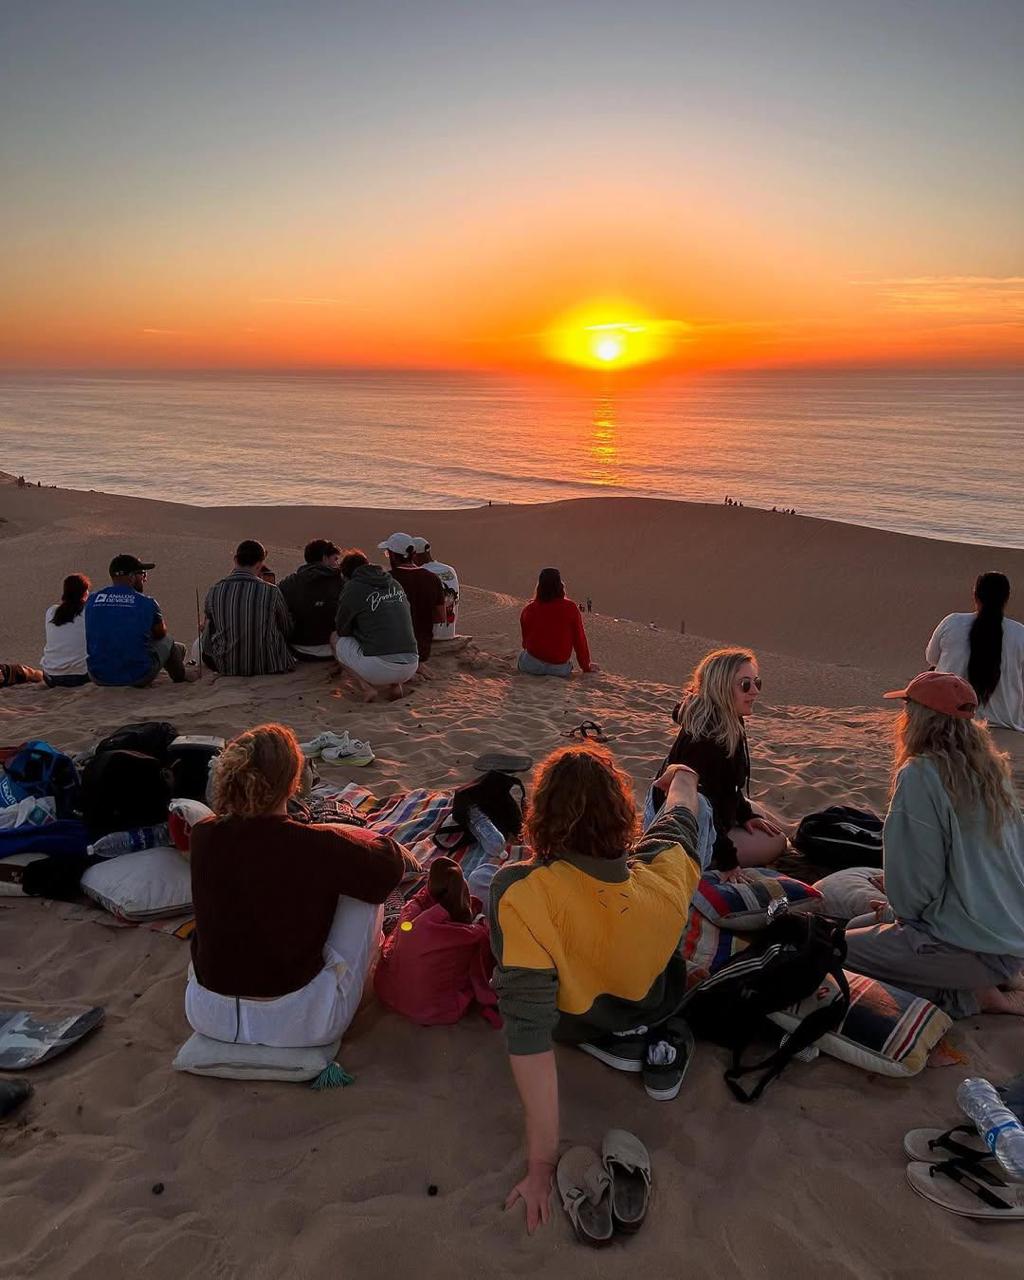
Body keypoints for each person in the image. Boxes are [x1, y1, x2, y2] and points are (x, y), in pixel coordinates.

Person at [489, 747, 703, 1234]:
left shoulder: (522, 892)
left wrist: (542, 1166)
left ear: (540, 818)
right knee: (688, 845)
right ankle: (650, 1045)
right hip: (653, 1001)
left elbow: (529, 1034)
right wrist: (682, 775)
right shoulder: (666, 872)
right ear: (624, 818)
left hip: (572, 1025)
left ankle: (613, 1044)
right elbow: (681, 815)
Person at [186, 724, 405, 1048]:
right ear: (293, 783)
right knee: (366, 892)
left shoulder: (203, 835)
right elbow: (390, 868)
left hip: (207, 1014)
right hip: (299, 1024)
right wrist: (345, 836)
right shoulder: (313, 844)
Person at [842, 672, 1024, 1018]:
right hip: (1010, 940)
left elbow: (914, 892)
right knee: (855, 928)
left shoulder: (920, 776)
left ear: (917, 719)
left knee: (837, 950)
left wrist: (899, 911)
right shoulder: (992, 774)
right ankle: (999, 979)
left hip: (963, 948)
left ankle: (976, 997)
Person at [656, 647, 788, 878]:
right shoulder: (706, 741)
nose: (755, 691)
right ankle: (709, 862)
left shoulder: (727, 719)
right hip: (689, 832)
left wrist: (746, 815)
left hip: (712, 809)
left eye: (757, 682)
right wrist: (728, 861)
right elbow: (699, 808)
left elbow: (727, 786)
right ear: (721, 688)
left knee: (760, 816)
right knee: (778, 842)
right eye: (745, 685)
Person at [926, 572, 1024, 732]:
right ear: (1006, 599)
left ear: (975, 595)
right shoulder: (1020, 633)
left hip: (949, 716)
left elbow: (931, 658)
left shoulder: (952, 622)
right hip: (1006, 720)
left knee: (931, 671)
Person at [85, 554, 193, 687]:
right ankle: (180, 679)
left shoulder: (92, 600)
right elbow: (160, 634)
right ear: (131, 577)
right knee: (169, 641)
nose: (145, 579)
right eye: (142, 574)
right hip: (137, 676)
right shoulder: (147, 603)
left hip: (98, 676)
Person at [332, 549, 419, 700]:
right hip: (411, 664)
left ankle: (366, 687)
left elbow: (342, 629)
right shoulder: (394, 583)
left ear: (346, 574)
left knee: (334, 638)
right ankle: (395, 686)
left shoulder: (353, 587)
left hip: (379, 668)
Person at [202, 540, 294, 676]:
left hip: (228, 666)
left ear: (235, 560)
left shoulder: (215, 591)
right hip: (268, 665)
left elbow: (211, 624)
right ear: (259, 564)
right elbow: (286, 628)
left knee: (208, 625)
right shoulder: (271, 591)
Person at [518, 568, 597, 677]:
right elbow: (579, 640)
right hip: (558, 669)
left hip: (532, 666)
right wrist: (586, 666)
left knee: (523, 656)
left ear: (539, 586)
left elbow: (525, 643)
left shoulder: (529, 609)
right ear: (560, 585)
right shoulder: (571, 608)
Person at [379, 532, 445, 663]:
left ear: (392, 555)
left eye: (387, 553)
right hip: (422, 651)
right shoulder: (433, 579)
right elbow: (440, 617)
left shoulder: (386, 580)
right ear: (413, 555)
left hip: (392, 651)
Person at [279, 539, 343, 661]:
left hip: (298, 650)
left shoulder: (288, 583)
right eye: (335, 559)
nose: (337, 564)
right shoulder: (342, 582)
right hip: (334, 650)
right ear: (324, 558)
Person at [40, 574, 91, 688]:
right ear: (84, 593)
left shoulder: (52, 611)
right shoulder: (88, 612)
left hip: (51, 677)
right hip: (81, 676)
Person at [411, 536, 460, 641]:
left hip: (429, 636)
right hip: (448, 634)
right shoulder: (450, 570)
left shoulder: (419, 574)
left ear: (414, 556)